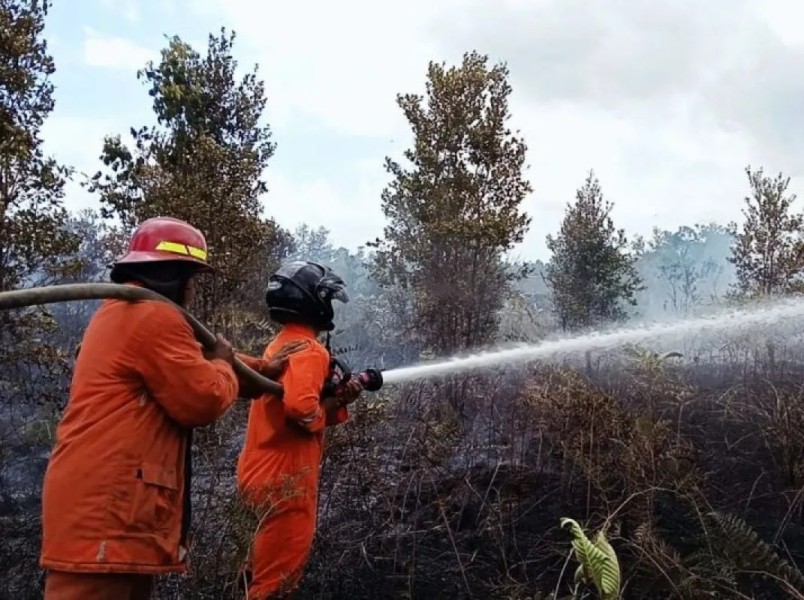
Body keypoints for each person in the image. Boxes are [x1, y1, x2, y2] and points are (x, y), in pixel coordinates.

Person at [40, 216, 301, 600]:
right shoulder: (154, 316)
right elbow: (204, 397)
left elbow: (195, 362)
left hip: (112, 513)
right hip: (108, 514)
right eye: (191, 279)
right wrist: (223, 364)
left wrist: (264, 370)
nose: (192, 290)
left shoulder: (127, 314)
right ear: (172, 275)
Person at [237, 260, 365, 599]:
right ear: (314, 300)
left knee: (256, 568)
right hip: (285, 481)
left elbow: (293, 401)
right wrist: (328, 406)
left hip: (258, 470)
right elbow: (301, 410)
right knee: (276, 579)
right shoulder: (309, 350)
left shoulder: (281, 344)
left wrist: (335, 402)